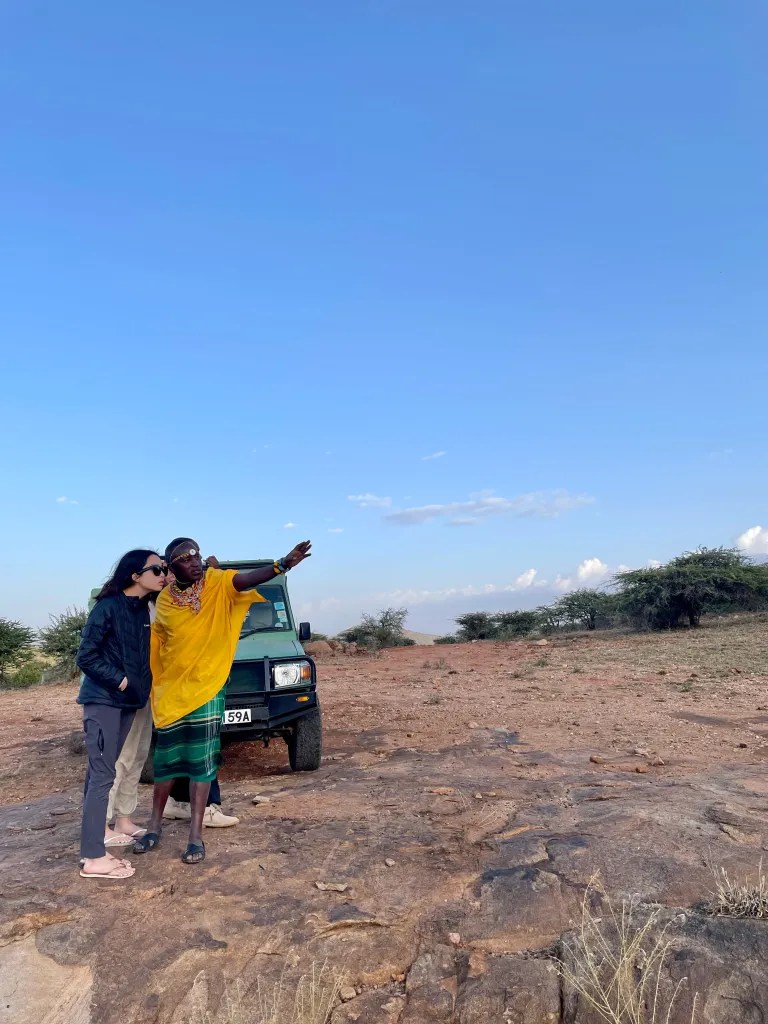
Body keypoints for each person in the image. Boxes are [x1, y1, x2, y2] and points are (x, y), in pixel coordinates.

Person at [134, 537, 311, 864]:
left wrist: (282, 564)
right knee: (166, 763)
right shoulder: (166, 601)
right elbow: (159, 642)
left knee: (202, 764)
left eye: (197, 555)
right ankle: (153, 827)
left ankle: (195, 836)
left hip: (207, 686)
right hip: (172, 690)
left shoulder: (216, 582)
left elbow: (246, 580)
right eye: (186, 558)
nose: (195, 561)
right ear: (172, 567)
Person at [76, 549, 167, 879]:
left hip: (128, 703)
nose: (163, 574)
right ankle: (93, 858)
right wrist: (122, 680)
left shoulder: (141, 608)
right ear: (135, 575)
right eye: (157, 569)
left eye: (164, 568)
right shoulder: (108, 607)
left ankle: (94, 849)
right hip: (104, 701)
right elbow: (86, 656)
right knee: (102, 775)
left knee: (101, 774)